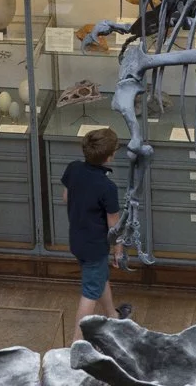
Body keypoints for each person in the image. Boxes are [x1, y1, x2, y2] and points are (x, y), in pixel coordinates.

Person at [62, 127, 132, 341]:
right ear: (109, 157)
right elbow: (114, 225)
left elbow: (66, 197)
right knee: (90, 292)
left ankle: (112, 315)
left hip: (77, 240)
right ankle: (76, 342)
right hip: (95, 245)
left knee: (98, 277)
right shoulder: (107, 187)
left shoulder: (73, 168)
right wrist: (118, 250)